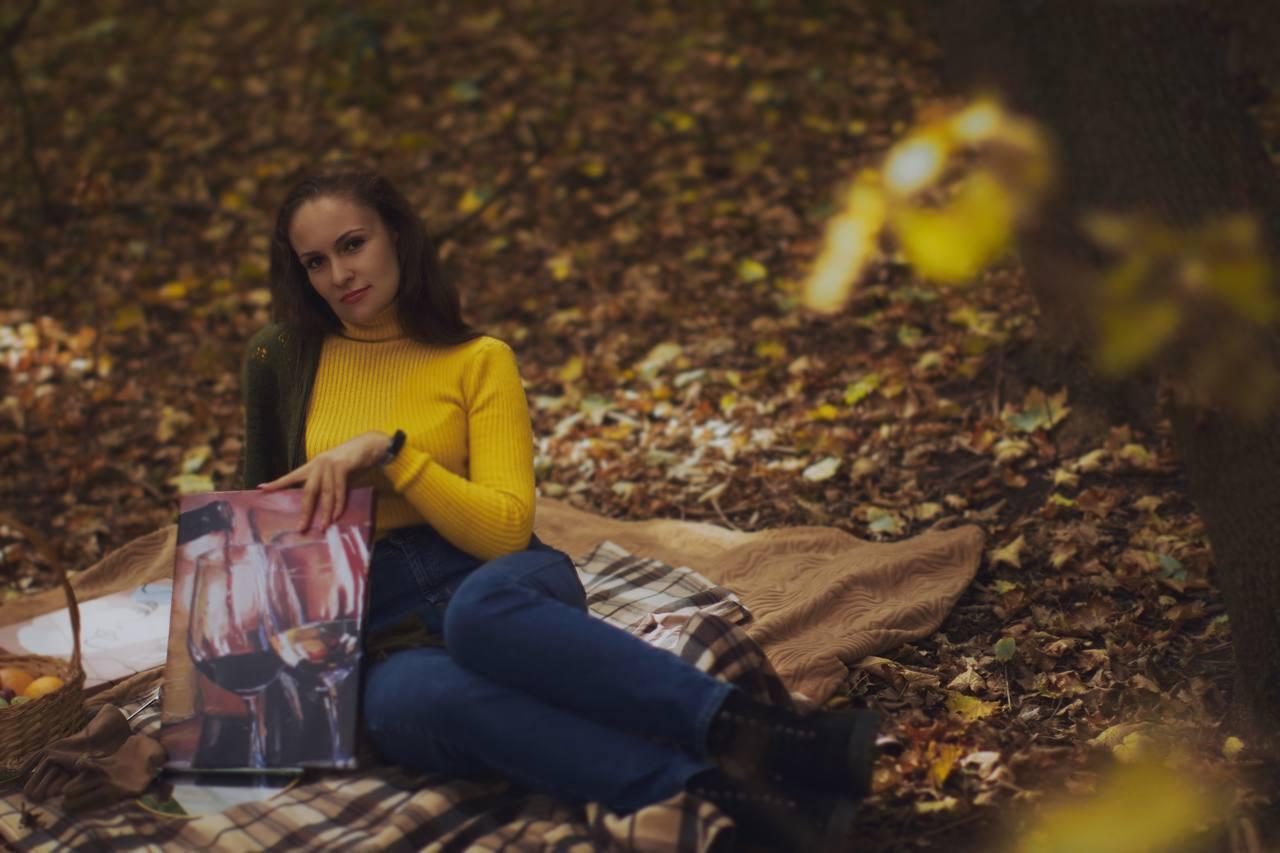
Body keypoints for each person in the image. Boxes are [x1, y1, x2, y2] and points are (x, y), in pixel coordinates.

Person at [238, 162, 880, 851]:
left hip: (495, 582)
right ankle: (728, 799)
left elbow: (506, 529)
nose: (340, 274)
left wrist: (394, 455)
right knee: (415, 700)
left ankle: (765, 734)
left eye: (352, 244)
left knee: (478, 617)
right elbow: (260, 525)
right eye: (315, 261)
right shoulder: (282, 359)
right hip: (381, 620)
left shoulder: (478, 360)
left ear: (395, 234)